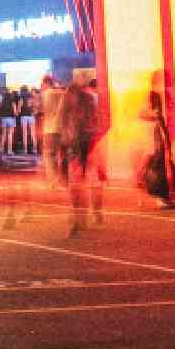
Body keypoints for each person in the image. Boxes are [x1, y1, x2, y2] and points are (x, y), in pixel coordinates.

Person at [54, 73, 104, 233]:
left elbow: (61, 123)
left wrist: (61, 144)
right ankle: (89, 213)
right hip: (83, 144)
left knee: (78, 182)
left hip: (78, 145)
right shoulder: (89, 99)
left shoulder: (70, 100)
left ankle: (80, 216)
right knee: (88, 181)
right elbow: (96, 121)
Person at [140, 90, 175, 209]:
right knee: (158, 170)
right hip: (156, 144)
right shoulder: (154, 108)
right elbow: (145, 116)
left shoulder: (156, 110)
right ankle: (161, 199)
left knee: (162, 170)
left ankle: (164, 198)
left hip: (159, 143)